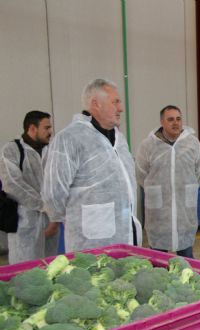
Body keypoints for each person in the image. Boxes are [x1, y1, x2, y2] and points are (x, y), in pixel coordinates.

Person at [43, 78, 141, 252]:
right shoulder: (69, 138)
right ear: (96, 104)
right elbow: (54, 192)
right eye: (115, 102)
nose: (121, 108)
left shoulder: (119, 138)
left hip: (127, 234)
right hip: (92, 242)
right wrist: (72, 219)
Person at [136, 105, 200, 258]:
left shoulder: (192, 143)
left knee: (187, 259)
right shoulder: (148, 145)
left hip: (184, 213)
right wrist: (157, 190)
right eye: (170, 119)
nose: (175, 123)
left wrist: (186, 188)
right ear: (162, 122)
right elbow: (141, 174)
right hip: (159, 215)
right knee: (158, 260)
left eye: (178, 119)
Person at [0, 111, 59, 264]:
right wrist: (43, 205)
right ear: (32, 128)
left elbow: (59, 183)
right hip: (24, 223)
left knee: (50, 268)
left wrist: (55, 216)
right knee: (23, 269)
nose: (50, 132)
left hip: (50, 222)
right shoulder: (12, 150)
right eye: (46, 128)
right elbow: (12, 184)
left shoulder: (52, 151)